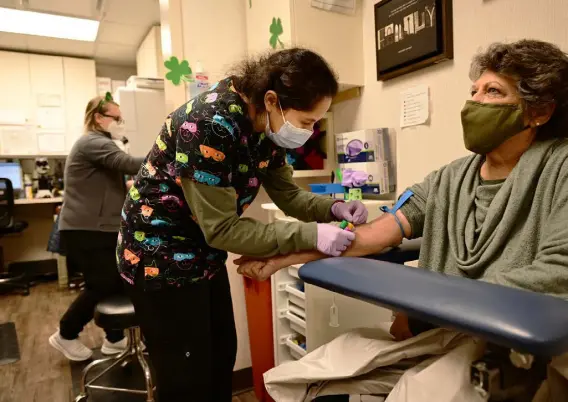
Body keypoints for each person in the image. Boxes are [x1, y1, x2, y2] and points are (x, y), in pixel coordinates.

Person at [236, 39, 568, 342]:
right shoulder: (449, 179)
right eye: (474, 91)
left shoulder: (560, 171)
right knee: (308, 375)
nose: (474, 102)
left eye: (493, 91)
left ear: (539, 111)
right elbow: (374, 234)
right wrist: (283, 258)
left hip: (510, 344)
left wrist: (427, 317)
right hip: (439, 330)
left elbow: (556, 275)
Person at [116, 48, 368, 401]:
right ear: (271, 99)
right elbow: (223, 230)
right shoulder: (207, 123)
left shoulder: (267, 127)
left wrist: (334, 209)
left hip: (202, 255)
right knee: (186, 380)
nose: (309, 134)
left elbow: (289, 196)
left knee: (220, 359)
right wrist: (313, 235)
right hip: (159, 258)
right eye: (308, 122)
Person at [49, 94, 144, 361]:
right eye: (117, 118)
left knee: (115, 280)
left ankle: (114, 339)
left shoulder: (99, 144)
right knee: (101, 284)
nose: (120, 123)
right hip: (87, 229)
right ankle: (66, 334)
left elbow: (109, 180)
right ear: (99, 118)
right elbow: (127, 164)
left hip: (98, 227)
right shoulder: (93, 141)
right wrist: (167, 152)